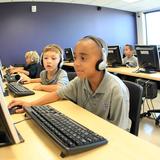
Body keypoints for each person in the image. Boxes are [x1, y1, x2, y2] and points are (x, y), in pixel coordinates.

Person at [8, 36, 131, 131]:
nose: (76, 63)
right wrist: (29, 104)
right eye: (75, 57)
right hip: (87, 129)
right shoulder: (80, 81)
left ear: (102, 61)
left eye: (83, 58)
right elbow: (57, 94)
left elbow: (120, 132)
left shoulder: (116, 90)